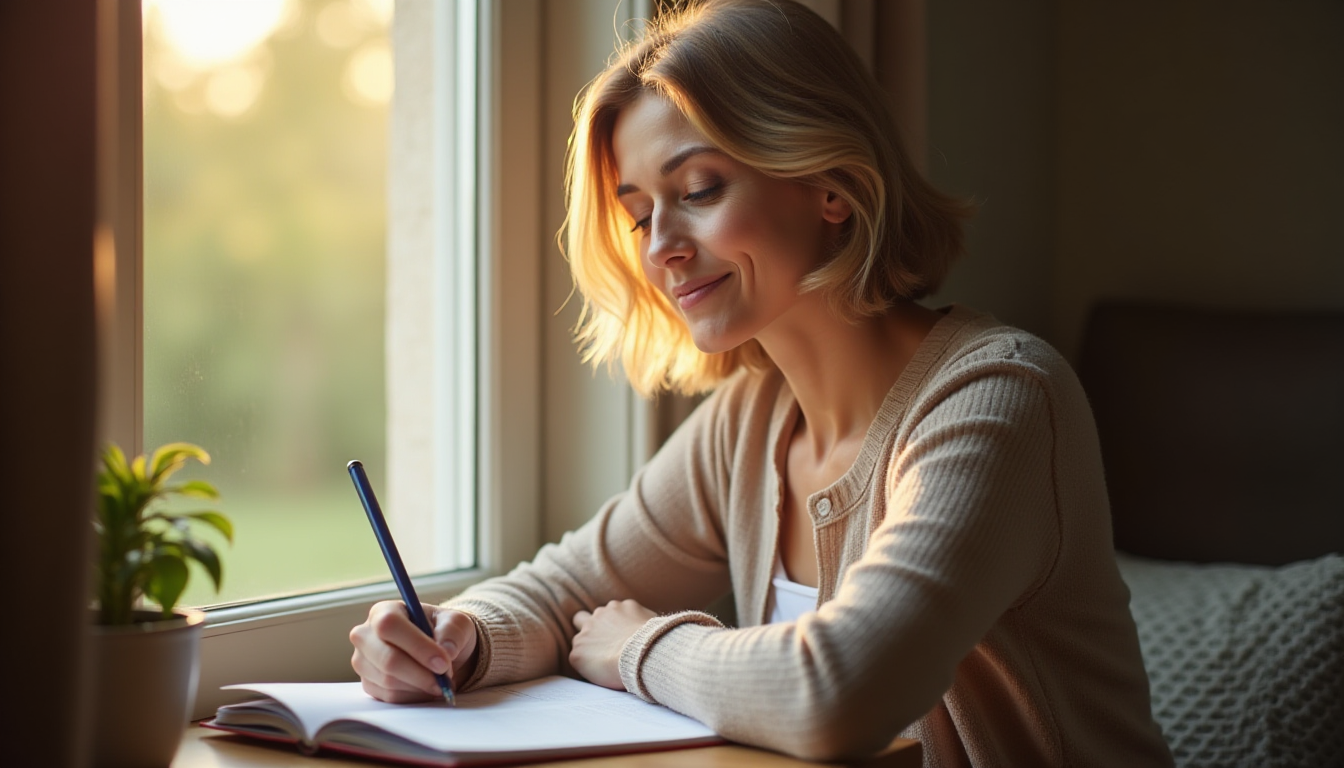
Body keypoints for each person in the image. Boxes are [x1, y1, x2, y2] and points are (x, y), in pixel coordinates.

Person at [350, 1, 1174, 764]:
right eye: (639, 214)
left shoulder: (1000, 400)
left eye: (699, 190)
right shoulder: (749, 422)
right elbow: (569, 593)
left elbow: (842, 692)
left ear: (830, 184)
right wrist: (458, 638)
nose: (659, 248)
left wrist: (639, 648)